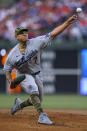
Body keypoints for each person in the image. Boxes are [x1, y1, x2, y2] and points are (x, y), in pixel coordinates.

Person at [4, 14, 77, 125]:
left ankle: (18, 105)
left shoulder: (36, 42)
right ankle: (42, 116)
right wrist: (10, 81)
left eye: (26, 32)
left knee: (37, 100)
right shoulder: (12, 55)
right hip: (23, 75)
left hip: (37, 74)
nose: (25, 33)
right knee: (33, 89)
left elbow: (53, 33)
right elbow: (7, 69)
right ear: (16, 37)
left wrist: (67, 22)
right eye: (21, 33)